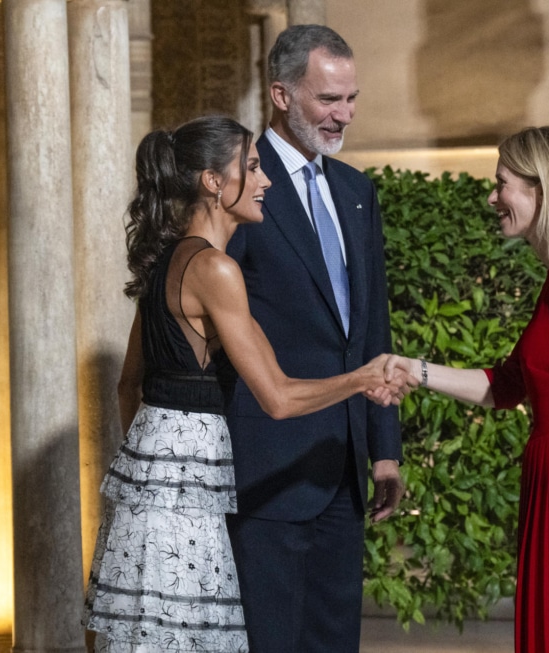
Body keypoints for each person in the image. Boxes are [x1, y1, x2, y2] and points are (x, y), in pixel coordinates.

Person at [82, 115, 405, 653]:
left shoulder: (166, 259)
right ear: (214, 181)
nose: (265, 181)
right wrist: (361, 378)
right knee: (189, 635)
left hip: (151, 476)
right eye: (252, 168)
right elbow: (277, 397)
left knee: (149, 632)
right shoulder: (217, 270)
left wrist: (151, 469)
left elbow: (127, 385)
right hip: (192, 487)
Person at [385, 126, 549, 652]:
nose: (492, 198)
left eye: (502, 183)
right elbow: (505, 387)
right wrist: (414, 370)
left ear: (542, 189)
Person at [223, 24, 404, 653]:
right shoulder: (242, 186)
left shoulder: (357, 191)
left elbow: (372, 327)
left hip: (345, 469)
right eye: (329, 99)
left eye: (351, 99)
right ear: (280, 93)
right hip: (265, 467)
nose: (344, 115)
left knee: (334, 642)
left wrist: (385, 449)